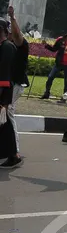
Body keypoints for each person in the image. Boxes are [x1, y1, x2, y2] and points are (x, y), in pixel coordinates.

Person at [0, 7, 28, 168]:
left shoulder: (18, 45)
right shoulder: (6, 46)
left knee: (8, 113)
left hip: (14, 84)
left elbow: (18, 36)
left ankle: (14, 153)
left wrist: (12, 17)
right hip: (9, 84)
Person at [0, 18, 20, 168]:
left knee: (5, 124)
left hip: (3, 90)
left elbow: (5, 73)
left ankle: (13, 155)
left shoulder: (7, 47)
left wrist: (4, 100)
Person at [41, 25, 67, 100]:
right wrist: (46, 45)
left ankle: (64, 96)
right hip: (59, 63)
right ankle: (47, 93)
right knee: (50, 77)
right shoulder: (60, 39)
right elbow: (54, 49)